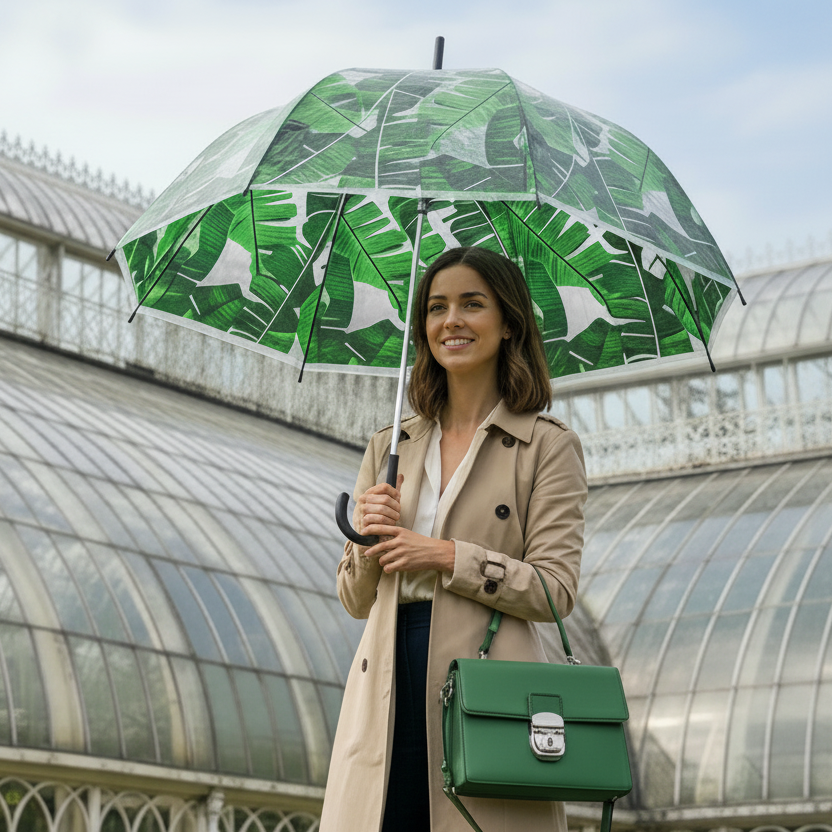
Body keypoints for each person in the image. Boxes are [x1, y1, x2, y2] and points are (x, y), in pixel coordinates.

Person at [319, 246, 587, 832]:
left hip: (487, 682)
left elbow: (555, 590)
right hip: (388, 678)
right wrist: (369, 534)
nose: (451, 322)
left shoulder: (547, 445)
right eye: (437, 308)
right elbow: (355, 599)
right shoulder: (389, 445)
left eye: (472, 304)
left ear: (508, 321)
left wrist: (443, 556)